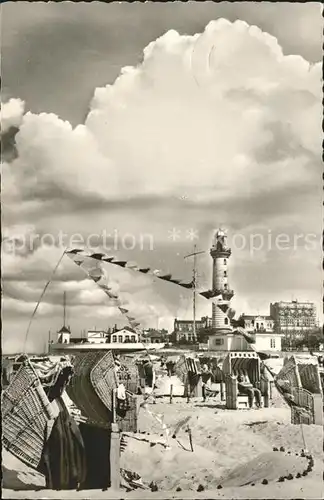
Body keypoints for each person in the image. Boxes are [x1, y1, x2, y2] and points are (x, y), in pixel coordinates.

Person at [37, 366, 87, 490]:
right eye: (67, 380)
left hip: (61, 420)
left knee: (66, 449)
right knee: (61, 450)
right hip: (57, 423)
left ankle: (64, 480)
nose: (68, 382)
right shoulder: (53, 395)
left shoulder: (58, 395)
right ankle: (62, 481)